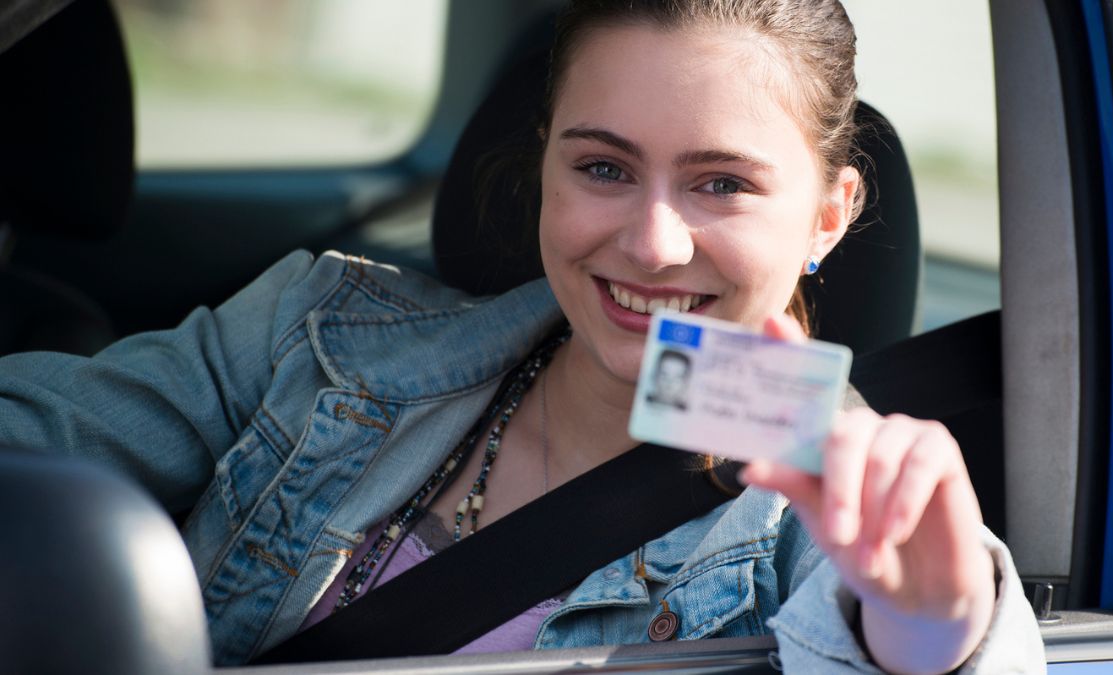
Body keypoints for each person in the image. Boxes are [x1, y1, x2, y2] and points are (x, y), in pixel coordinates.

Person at [0, 0, 1044, 671]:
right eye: (603, 167)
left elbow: (928, 625)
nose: (650, 239)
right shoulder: (321, 333)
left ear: (830, 214)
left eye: (721, 183)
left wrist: (937, 629)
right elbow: (35, 439)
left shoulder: (842, 513)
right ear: (543, 163)